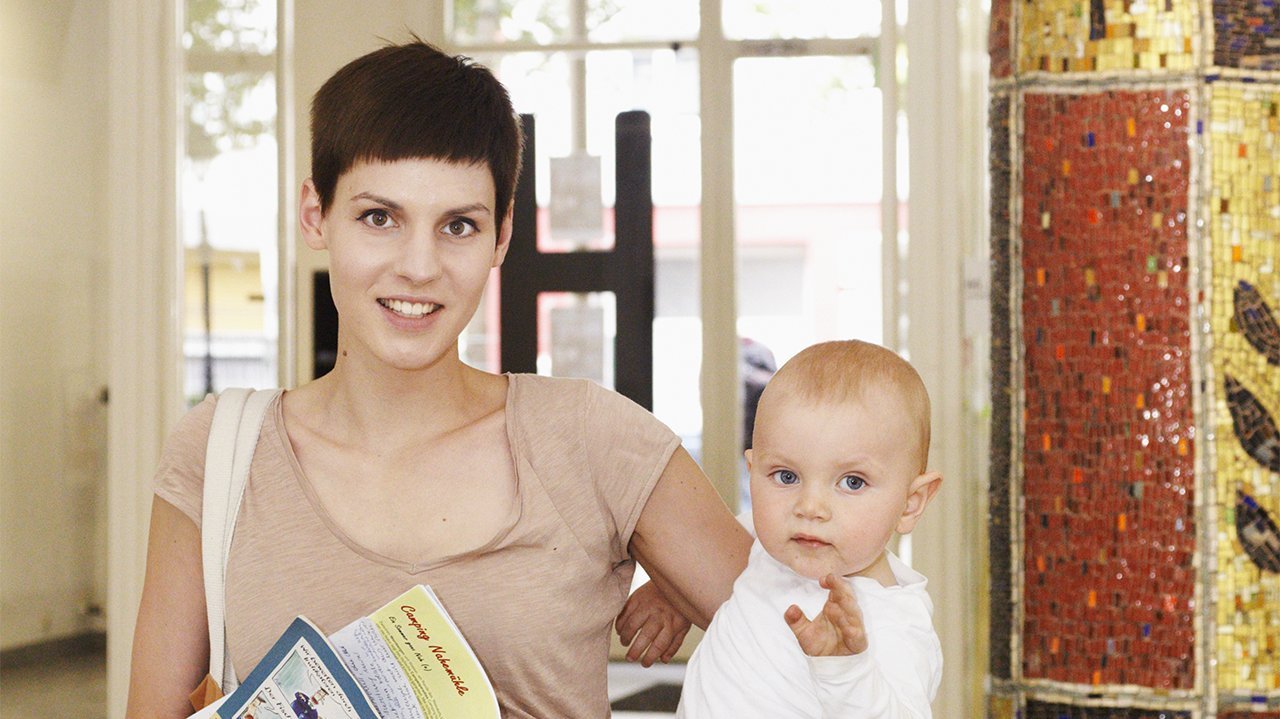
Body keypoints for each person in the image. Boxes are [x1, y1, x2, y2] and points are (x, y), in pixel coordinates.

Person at [124, 38, 750, 719]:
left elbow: (816, 635)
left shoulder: (590, 439)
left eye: (457, 225)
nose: (419, 266)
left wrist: (699, 591)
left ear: (501, 236)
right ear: (316, 214)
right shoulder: (221, 452)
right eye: (379, 217)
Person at [676, 340, 945, 718]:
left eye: (852, 482)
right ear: (752, 475)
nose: (809, 507)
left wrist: (846, 669)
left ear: (911, 502)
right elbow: (721, 537)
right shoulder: (773, 541)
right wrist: (663, 590)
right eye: (786, 476)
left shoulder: (892, 620)